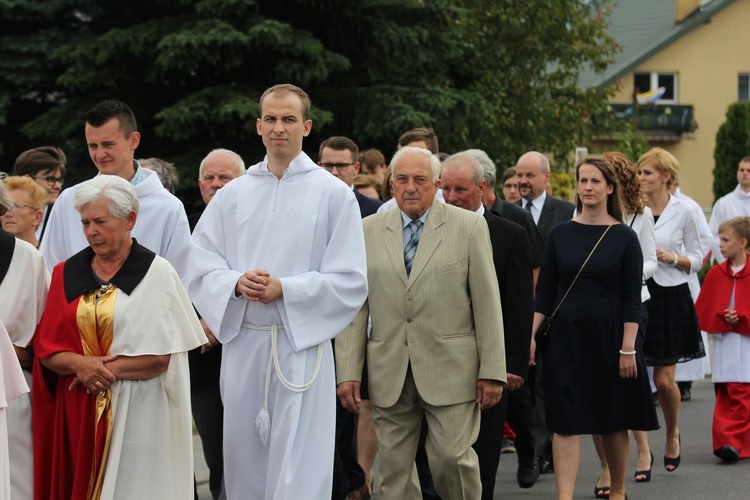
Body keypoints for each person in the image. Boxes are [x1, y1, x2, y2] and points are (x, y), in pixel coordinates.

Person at [189, 84, 368, 499]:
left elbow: (350, 278)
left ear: (306, 126)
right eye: (270, 119)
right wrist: (235, 282)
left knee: (299, 465)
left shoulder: (333, 195)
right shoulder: (233, 194)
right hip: (244, 347)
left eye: (288, 119)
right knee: (242, 461)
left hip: (299, 348)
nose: (278, 128)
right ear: (258, 126)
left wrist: (285, 288)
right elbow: (198, 262)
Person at [336, 146, 506, 499]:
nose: (410, 187)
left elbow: (488, 303)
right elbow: (357, 307)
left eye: (420, 180)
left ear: (438, 185)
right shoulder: (366, 229)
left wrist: (492, 370)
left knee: (450, 460)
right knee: (394, 473)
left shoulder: (469, 226)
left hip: (452, 370)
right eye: (402, 180)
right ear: (391, 184)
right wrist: (348, 372)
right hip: (389, 370)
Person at [32, 175, 206, 499]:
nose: (91, 232)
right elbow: (47, 351)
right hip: (79, 415)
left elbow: (164, 357)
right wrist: (79, 364)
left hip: (140, 413)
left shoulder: (158, 273)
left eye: (100, 221)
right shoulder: (65, 273)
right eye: (85, 222)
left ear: (130, 220)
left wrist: (98, 370)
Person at [530, 154, 658, 500]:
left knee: (613, 418)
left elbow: (633, 297)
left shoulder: (624, 237)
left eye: (595, 181)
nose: (587, 187)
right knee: (565, 420)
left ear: (610, 188)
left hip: (611, 338)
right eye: (582, 180)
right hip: (566, 339)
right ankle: (564, 496)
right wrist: (529, 336)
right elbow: (545, 293)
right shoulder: (560, 234)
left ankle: (617, 490)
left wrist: (628, 348)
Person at [441, 152, 536, 495]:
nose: (451, 197)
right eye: (445, 188)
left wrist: (510, 366)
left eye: (460, 189)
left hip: (489, 366)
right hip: (441, 363)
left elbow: (519, 305)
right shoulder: (430, 229)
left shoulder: (510, 234)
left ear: (482, 188)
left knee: (482, 456)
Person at [40, 99, 193, 284]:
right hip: (78, 311)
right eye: (92, 146)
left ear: (134, 140)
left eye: (108, 144)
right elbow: (50, 271)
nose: (99, 154)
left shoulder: (168, 208)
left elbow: (180, 280)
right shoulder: (68, 200)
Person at [590, 151, 658, 497]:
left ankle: (643, 450)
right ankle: (605, 467)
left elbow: (650, 263)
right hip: (596, 310)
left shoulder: (640, 215)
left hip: (632, 307)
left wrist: (624, 274)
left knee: (627, 387)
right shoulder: (585, 213)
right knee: (599, 392)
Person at [637, 147, 705, 473]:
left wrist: (672, 258)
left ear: (665, 176)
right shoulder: (630, 208)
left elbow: (698, 258)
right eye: (639, 173)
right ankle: (642, 449)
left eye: (647, 173)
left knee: (664, 383)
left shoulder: (686, 210)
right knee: (633, 377)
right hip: (637, 295)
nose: (641, 179)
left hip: (671, 297)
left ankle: (672, 433)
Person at [188, 148, 246, 500]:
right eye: (209, 178)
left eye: (224, 177)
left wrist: (215, 322)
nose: (216, 184)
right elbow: (181, 283)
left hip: (244, 348)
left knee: (245, 452)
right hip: (202, 358)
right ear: (199, 184)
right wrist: (198, 326)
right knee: (214, 449)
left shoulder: (255, 225)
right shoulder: (187, 225)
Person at [516, 150, 575, 473]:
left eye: (529, 175)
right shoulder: (509, 213)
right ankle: (534, 450)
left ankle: (545, 450)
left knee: (549, 384)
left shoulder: (567, 212)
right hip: (520, 311)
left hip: (556, 312)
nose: (523, 181)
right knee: (525, 385)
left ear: (546, 177)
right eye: (519, 175)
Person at [0, 179, 49, 500]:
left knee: (16, 482)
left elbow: (48, 332)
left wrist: (22, 353)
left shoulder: (28, 259)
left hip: (13, 390)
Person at [695, 216, 750, 463]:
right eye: (720, 239)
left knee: (742, 395)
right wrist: (723, 316)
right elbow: (705, 309)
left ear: (743, 243)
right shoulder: (716, 274)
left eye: (725, 240)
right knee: (725, 393)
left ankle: (735, 444)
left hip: (746, 344)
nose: (720, 245)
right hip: (725, 342)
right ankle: (725, 443)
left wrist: (742, 317)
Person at [12, 146, 66, 244]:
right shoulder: (5, 214)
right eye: (50, 179)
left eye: (58, 180)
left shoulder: (63, 218)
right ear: (27, 179)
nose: (57, 186)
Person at [319, 136, 382, 217]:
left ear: (356, 168)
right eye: (328, 165)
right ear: (319, 166)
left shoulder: (376, 210)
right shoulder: (306, 204)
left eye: (341, 165)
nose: (334, 172)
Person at [709, 157, 750, 264]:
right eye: (742, 170)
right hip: (729, 264)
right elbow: (713, 236)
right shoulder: (723, 203)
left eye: (748, 170)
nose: (745, 173)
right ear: (737, 173)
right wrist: (727, 262)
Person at [1, 176, 48, 248]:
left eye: (16, 206)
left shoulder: (50, 257)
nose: (7, 214)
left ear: (37, 217)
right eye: (5, 206)